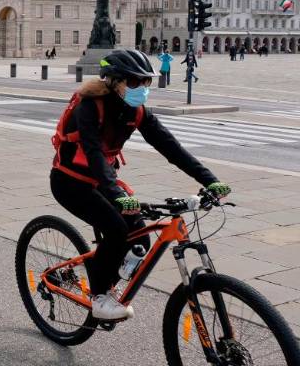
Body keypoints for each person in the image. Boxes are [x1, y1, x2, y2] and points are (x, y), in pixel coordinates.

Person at [50, 49, 231, 320]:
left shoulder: (136, 111)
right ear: (113, 81)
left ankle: (105, 271)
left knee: (140, 238)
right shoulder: (90, 105)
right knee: (115, 230)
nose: (142, 89)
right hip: (70, 182)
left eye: (146, 83)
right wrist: (117, 194)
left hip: (103, 181)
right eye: (134, 83)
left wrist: (210, 180)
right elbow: (93, 153)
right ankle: (100, 297)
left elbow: (171, 147)